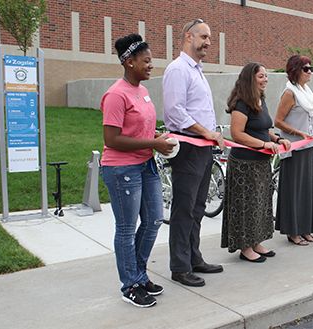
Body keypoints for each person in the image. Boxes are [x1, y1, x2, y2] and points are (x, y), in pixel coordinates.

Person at [101, 33, 175, 308]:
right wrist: (152, 142)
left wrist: (157, 137)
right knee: (126, 228)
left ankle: (139, 274)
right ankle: (129, 284)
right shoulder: (115, 95)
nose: (151, 65)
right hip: (122, 170)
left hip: (145, 164)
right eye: (146, 60)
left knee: (155, 219)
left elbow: (139, 128)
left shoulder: (142, 91)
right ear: (129, 62)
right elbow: (112, 139)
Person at [163, 19, 224, 288]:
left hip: (202, 147)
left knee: (198, 207)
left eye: (209, 38)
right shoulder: (178, 69)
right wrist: (206, 132)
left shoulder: (197, 71)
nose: (208, 42)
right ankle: (179, 265)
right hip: (188, 146)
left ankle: (193, 257)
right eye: (204, 37)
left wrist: (210, 136)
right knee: (184, 208)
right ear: (188, 37)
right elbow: (175, 112)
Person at [222, 62, 291, 261]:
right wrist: (262, 144)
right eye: (261, 76)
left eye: (266, 76)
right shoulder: (241, 102)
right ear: (250, 78)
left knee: (260, 205)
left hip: (261, 163)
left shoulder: (260, 99)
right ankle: (245, 247)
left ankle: (256, 241)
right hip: (245, 164)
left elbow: (263, 128)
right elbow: (237, 134)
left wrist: (277, 139)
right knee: (246, 206)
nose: (265, 80)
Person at [274, 55, 313, 245]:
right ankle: (293, 232)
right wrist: (297, 133)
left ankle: (306, 228)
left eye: (311, 68)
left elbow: (309, 119)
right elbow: (278, 121)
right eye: (306, 69)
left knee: (308, 190)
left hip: (308, 147)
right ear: (296, 70)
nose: (310, 72)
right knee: (294, 190)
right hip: (294, 148)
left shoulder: (306, 92)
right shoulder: (289, 93)